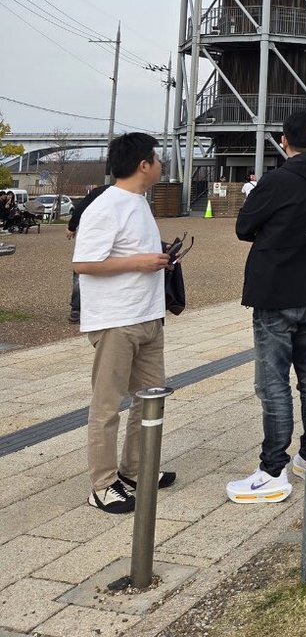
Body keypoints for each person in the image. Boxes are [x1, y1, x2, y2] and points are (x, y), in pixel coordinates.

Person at [226, 109, 306, 504]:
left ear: (283, 141)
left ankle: (272, 469)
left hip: (276, 291)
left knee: (272, 381)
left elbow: (244, 227)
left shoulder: (276, 181)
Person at [72, 133, 171, 514]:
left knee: (150, 401)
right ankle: (102, 484)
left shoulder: (139, 202)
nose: (161, 164)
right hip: (116, 320)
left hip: (147, 315)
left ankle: (135, 469)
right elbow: (83, 263)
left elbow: (130, 252)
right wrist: (140, 262)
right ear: (144, 164)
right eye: (157, 159)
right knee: (108, 405)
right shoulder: (106, 205)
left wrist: (158, 258)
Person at [66, 183, 111, 322]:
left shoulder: (100, 192)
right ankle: (81, 307)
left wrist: (72, 227)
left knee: (81, 272)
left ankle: (77, 308)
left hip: (92, 237)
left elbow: (80, 208)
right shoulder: (129, 195)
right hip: (103, 237)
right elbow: (81, 208)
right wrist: (72, 226)